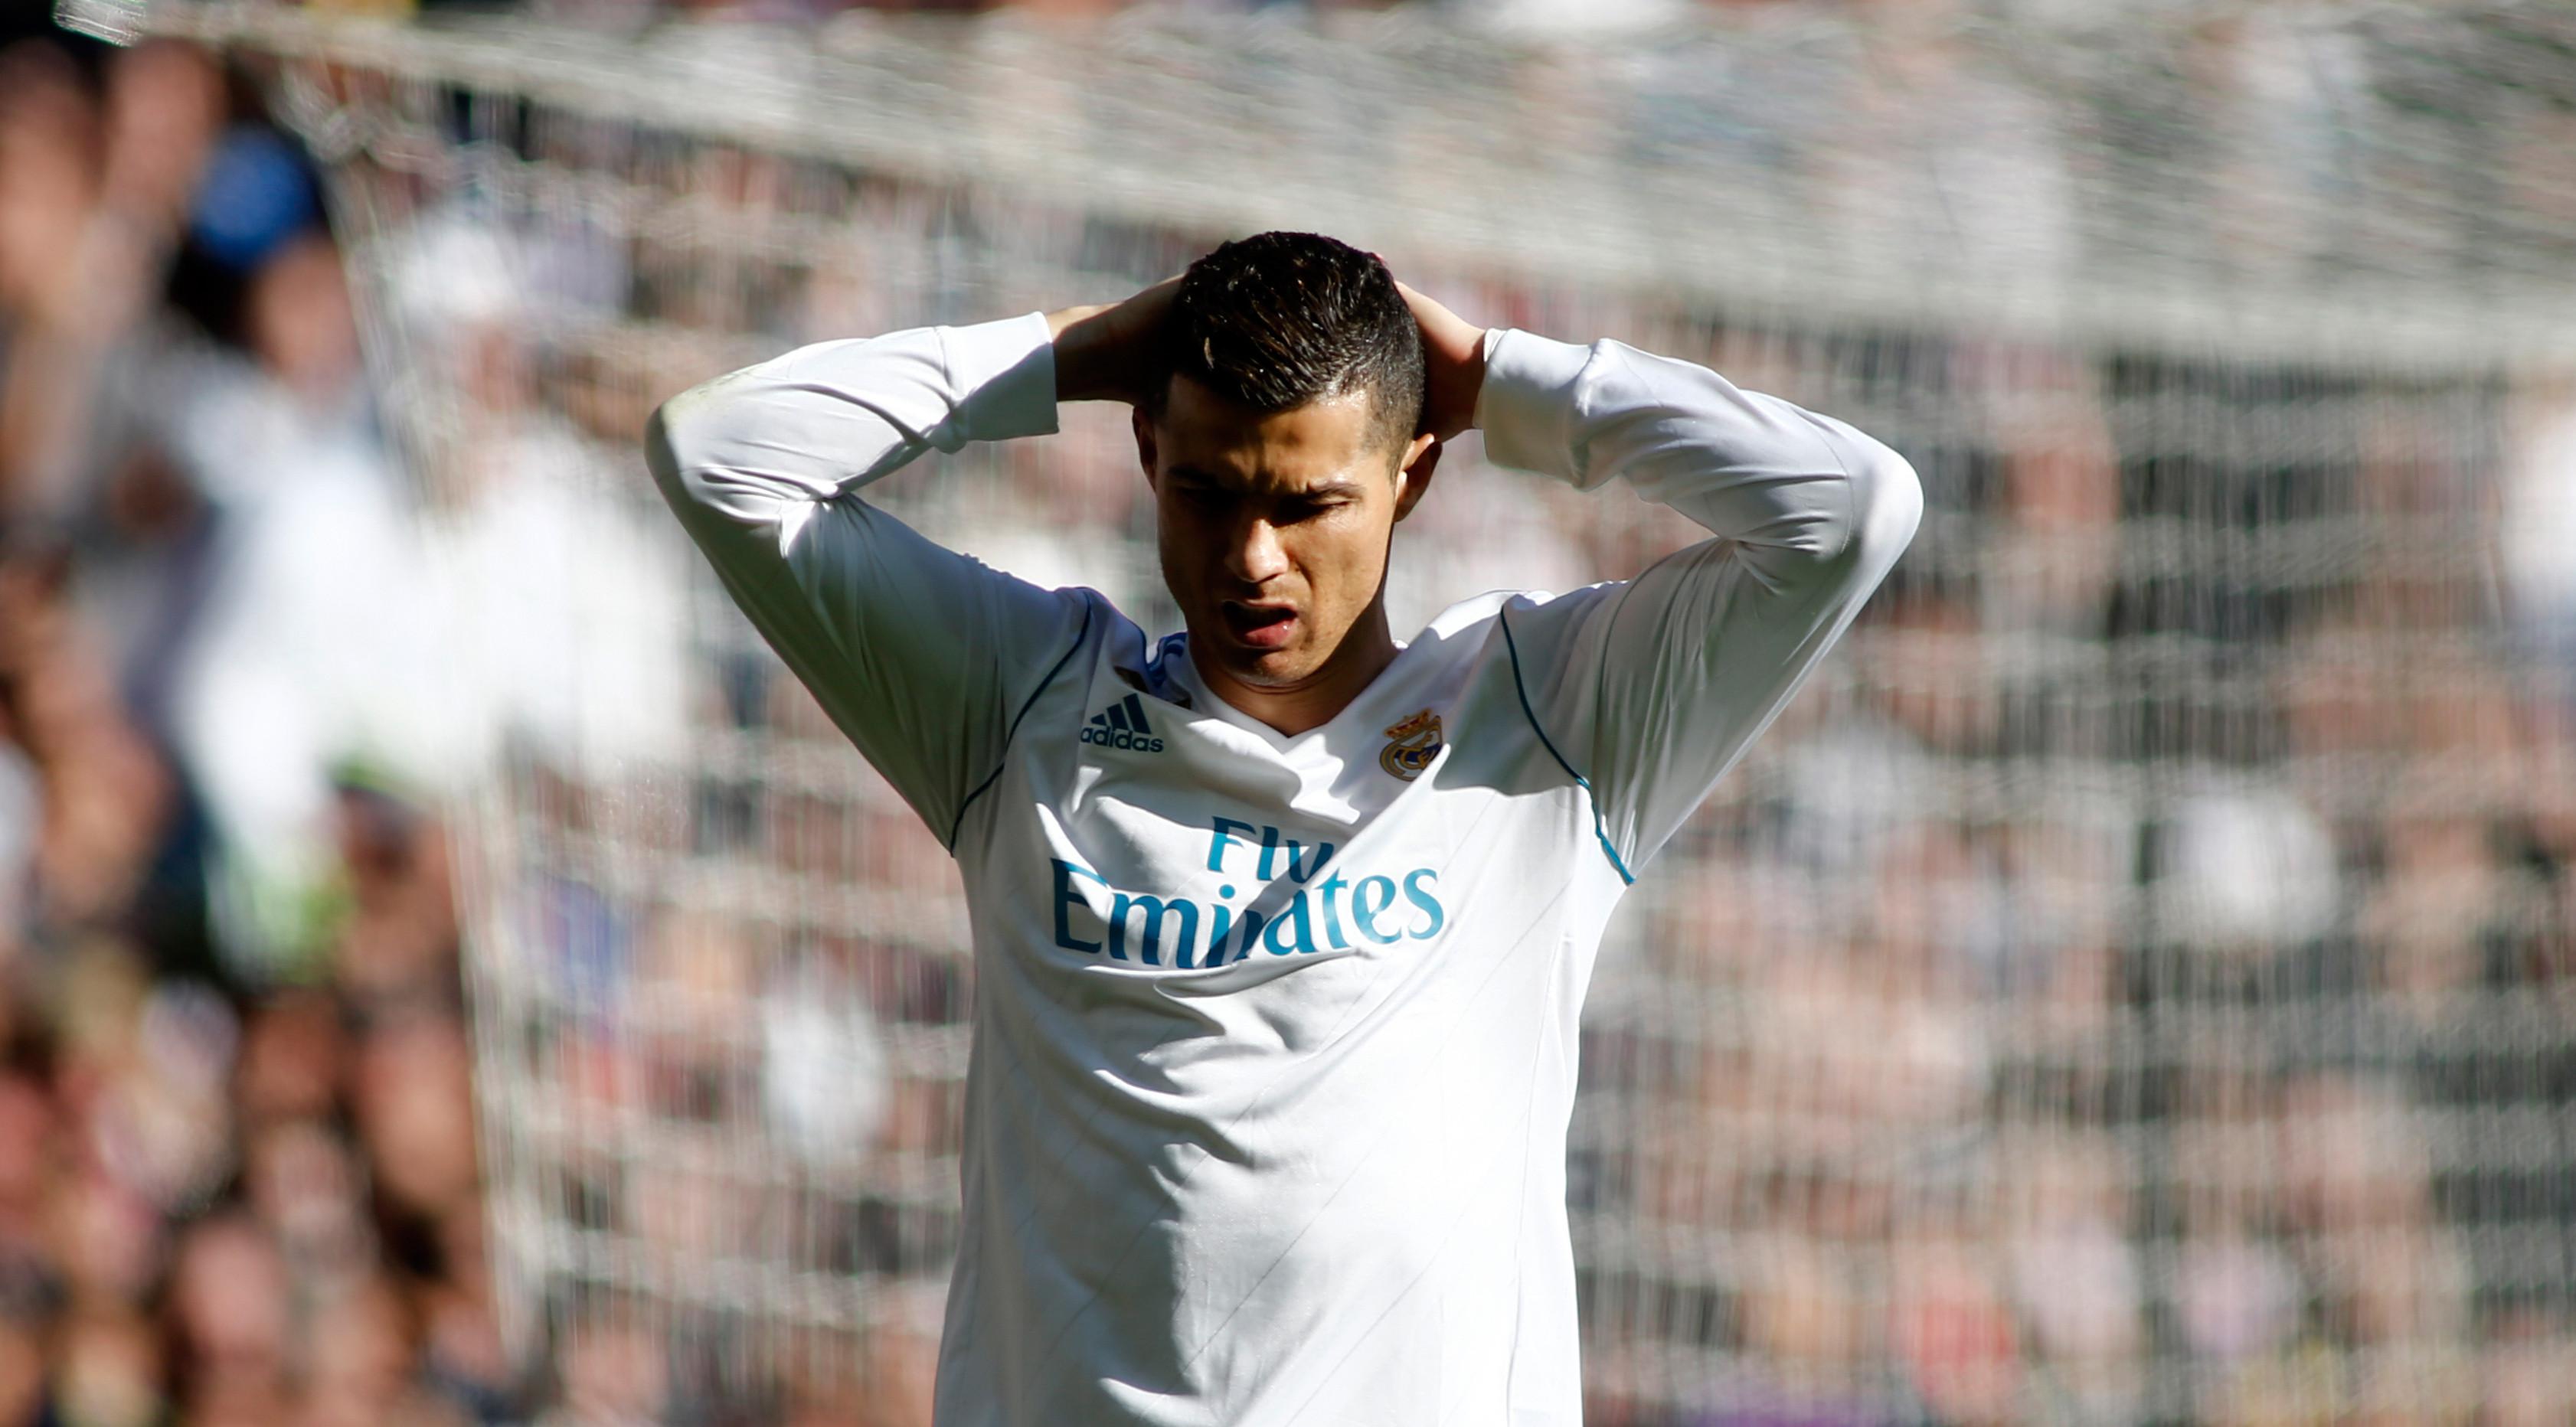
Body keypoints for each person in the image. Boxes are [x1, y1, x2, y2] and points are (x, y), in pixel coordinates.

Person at [645, 230, 1921, 1426]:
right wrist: (1078, 352)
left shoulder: (1549, 717)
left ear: (1411, 474)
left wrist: (1495, 375)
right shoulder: (1017, 704)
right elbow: (718, 455)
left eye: (1308, 504)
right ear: (1146, 452)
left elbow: (1852, 508)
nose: (1252, 557)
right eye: (1207, 491)